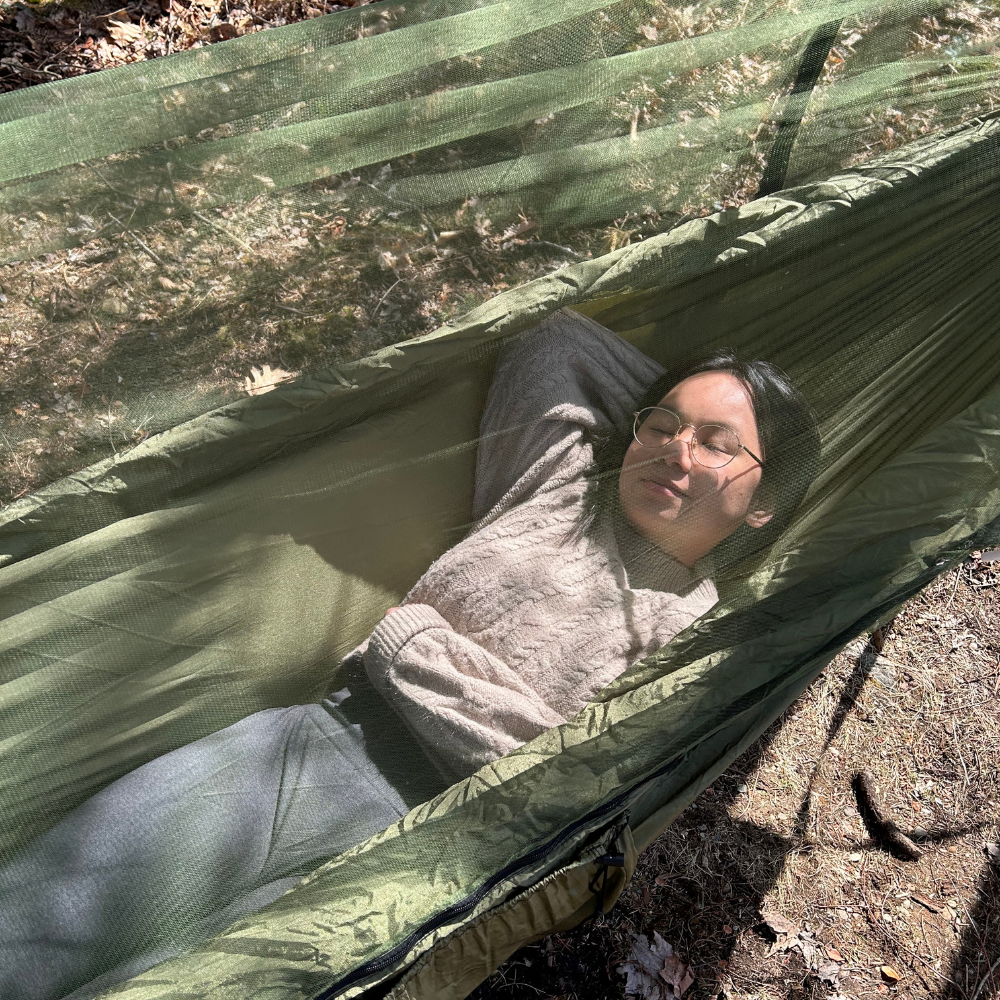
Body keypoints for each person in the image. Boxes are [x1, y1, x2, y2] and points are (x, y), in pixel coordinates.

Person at [0, 309, 819, 1000]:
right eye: (663, 424)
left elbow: (563, 790)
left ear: (766, 503)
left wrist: (409, 642)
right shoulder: (555, 488)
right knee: (43, 916)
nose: (676, 451)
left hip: (407, 860)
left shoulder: (702, 639)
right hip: (303, 745)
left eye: (716, 444)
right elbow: (557, 341)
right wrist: (683, 402)